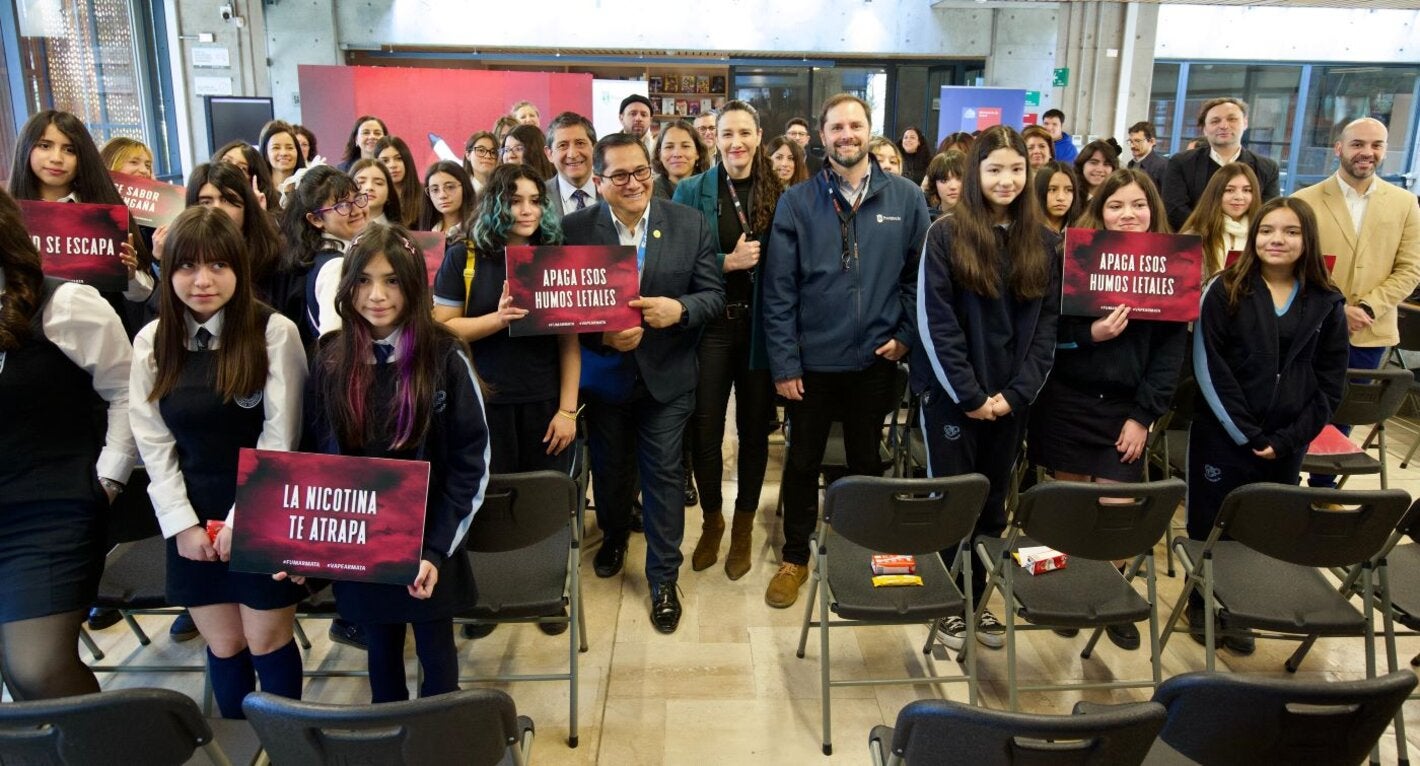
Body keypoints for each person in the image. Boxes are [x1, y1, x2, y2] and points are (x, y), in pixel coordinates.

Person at [301, 223, 488, 703]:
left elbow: (472, 460)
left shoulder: (444, 356)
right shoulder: (329, 361)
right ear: (346, 288)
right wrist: (301, 545)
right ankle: (390, 733)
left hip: (430, 542)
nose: (377, 295)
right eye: (363, 280)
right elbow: (313, 460)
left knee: (436, 654)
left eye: (392, 281)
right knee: (380, 650)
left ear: (412, 285)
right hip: (361, 545)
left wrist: (436, 549)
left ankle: (440, 740)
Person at [131, 206, 306, 717]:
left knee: (267, 640)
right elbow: (154, 443)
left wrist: (241, 520)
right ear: (169, 271)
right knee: (226, 644)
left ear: (239, 268)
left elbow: (282, 437)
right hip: (190, 514)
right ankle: (237, 738)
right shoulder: (152, 341)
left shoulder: (274, 332)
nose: (202, 281)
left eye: (217, 266)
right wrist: (182, 525)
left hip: (264, 506)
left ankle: (284, 743)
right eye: (187, 266)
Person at [761, 93, 929, 609]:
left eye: (855, 125)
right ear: (821, 135)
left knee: (863, 463)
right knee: (802, 461)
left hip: (875, 360)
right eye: (836, 127)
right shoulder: (797, 201)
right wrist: (785, 362)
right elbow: (779, 289)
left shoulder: (905, 198)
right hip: (812, 364)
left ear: (869, 129)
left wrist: (904, 335)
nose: (846, 135)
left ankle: (859, 549)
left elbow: (918, 276)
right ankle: (794, 556)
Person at [563, 132, 724, 634]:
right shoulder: (574, 229)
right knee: (610, 474)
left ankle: (661, 577)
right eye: (620, 175)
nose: (634, 183)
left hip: (668, 378)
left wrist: (680, 310)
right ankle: (613, 535)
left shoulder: (688, 222)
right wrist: (603, 338)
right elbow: (562, 310)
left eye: (641, 172)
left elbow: (712, 295)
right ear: (598, 180)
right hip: (605, 379)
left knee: (663, 477)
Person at [912, 124, 1059, 651]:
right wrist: (970, 395)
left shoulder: (1046, 242)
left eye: (1017, 169)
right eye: (995, 168)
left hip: (1009, 400)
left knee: (995, 504)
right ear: (976, 173)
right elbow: (936, 323)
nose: (1007, 179)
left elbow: (1046, 328)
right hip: (955, 397)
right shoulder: (946, 234)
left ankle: (977, 604)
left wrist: (1013, 396)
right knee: (953, 501)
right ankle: (947, 605)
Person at [1027, 168, 1186, 651]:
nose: (1128, 214)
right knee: (1068, 506)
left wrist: (1143, 416)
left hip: (1125, 409)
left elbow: (1169, 358)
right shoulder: (1072, 257)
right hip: (1067, 400)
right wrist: (1089, 334)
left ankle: (1108, 587)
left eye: (1138, 204)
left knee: (1117, 508)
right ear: (1100, 210)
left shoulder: (1171, 265)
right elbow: (1046, 330)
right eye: (1116, 205)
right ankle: (1068, 588)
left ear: (1152, 209)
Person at [1188, 196, 1347, 649]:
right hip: (1225, 435)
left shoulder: (1327, 300)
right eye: (1268, 230)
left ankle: (1239, 608)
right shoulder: (1224, 289)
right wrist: (1248, 434)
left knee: (1259, 528)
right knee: (1211, 523)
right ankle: (1204, 602)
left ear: (1307, 240)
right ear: (1254, 236)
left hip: (1287, 440)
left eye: (1291, 232)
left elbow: (1331, 382)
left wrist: (1290, 438)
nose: (1278, 240)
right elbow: (1208, 366)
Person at [0, 188, 135, 701]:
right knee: (15, 674)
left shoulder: (65, 303)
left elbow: (128, 392)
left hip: (47, 513)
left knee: (39, 668)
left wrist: (111, 475)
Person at [672, 100, 784, 581]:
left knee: (756, 430)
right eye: (726, 133)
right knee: (705, 428)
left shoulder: (782, 192)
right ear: (712, 139)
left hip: (761, 327)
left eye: (745, 132)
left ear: (759, 136)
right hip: (712, 324)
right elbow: (672, 261)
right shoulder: (690, 190)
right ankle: (713, 519)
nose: (736, 142)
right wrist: (726, 263)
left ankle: (742, 525)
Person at [1293, 117, 1420, 487]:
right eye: (1358, 144)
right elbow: (1295, 265)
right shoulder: (1305, 201)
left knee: (1343, 409)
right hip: (1311, 325)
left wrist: (1365, 308)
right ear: (1339, 148)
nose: (1367, 152)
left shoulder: (1405, 203)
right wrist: (1335, 310)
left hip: (1370, 329)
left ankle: (1322, 485)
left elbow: (1410, 269)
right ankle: (1286, 481)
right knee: (1299, 404)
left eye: (1376, 145)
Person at [434, 163, 578, 477]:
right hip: (481, 401)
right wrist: (498, 320)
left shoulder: (556, 255)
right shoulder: (464, 255)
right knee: (490, 501)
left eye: (535, 200)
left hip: (544, 402)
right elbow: (443, 328)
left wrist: (568, 411)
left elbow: (569, 342)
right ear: (496, 204)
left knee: (544, 503)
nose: (527, 210)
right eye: (514, 201)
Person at [10, 110, 153, 337]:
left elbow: (143, 293)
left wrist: (130, 274)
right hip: (28, 342)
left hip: (101, 342)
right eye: (44, 146)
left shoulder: (105, 213)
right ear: (26, 149)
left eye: (69, 149)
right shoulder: (10, 216)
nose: (56, 158)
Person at [279, 165, 369, 341]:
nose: (356, 210)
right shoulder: (335, 267)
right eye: (342, 205)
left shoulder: (313, 255)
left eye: (357, 198)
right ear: (316, 219)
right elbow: (333, 341)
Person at [1163, 97, 1280, 230]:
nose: (1224, 126)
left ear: (1245, 123)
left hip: (1247, 244)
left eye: (1232, 119)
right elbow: (1174, 209)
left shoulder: (1267, 168)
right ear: (1205, 129)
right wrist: (1213, 233)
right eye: (1215, 121)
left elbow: (1269, 212)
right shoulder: (1181, 163)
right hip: (1196, 241)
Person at [184, 162, 282, 303]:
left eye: (227, 200)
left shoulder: (276, 258)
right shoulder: (183, 259)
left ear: (246, 206)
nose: (217, 210)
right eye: (206, 202)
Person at [1179, 163, 1260, 279]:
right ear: (1215, 194)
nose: (1239, 197)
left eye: (1247, 190)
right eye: (1229, 190)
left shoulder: (1261, 235)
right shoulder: (1193, 237)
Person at [543, 112, 599, 218]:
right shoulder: (539, 197)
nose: (572, 154)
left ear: (595, 148)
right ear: (549, 154)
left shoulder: (614, 190)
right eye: (563, 145)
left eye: (580, 143)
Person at [214, 140, 280, 217]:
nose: (231, 169)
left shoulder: (269, 214)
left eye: (242, 168)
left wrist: (257, 212)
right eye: (227, 161)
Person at [417, 160, 476, 239]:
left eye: (450, 187)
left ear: (465, 188)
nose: (442, 195)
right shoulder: (428, 232)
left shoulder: (479, 230)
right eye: (435, 190)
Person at [374, 136, 424, 228]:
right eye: (385, 161)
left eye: (398, 158)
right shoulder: (374, 197)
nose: (393, 165)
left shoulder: (425, 193)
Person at [652, 119, 709, 200]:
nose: (677, 154)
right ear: (659, 154)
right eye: (669, 147)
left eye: (685, 146)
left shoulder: (713, 189)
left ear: (697, 152)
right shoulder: (648, 193)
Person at [259, 120, 306, 202]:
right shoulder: (258, 192)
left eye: (290, 147)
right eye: (276, 147)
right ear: (266, 154)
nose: (283, 153)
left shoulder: (308, 190)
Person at [1033, 160, 1082, 235]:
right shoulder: (1023, 229)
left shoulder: (1082, 230)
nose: (1061, 198)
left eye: (1068, 190)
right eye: (1052, 189)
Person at [350, 158, 402, 227]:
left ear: (389, 192)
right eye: (361, 182)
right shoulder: (339, 231)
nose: (369, 187)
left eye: (378, 183)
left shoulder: (398, 234)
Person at [922, 149, 965, 220]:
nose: (953, 186)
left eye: (959, 179)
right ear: (934, 184)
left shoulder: (981, 219)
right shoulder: (926, 219)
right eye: (944, 180)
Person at [1126, 121, 1167, 193]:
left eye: (1137, 141)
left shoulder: (1163, 166)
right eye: (1131, 141)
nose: (1132, 146)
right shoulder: (1131, 164)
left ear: (1152, 141)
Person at [462, 130, 498, 197]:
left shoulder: (503, 190)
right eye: (481, 150)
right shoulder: (462, 191)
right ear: (468, 155)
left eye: (493, 152)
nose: (488, 156)